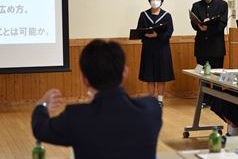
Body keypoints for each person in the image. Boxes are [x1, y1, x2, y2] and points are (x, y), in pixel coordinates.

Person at [31, 40, 162, 159]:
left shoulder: (76, 117)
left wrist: (42, 104)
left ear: (84, 79)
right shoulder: (151, 109)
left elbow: (40, 128)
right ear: (125, 72)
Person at [191, 0, 228, 106]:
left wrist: (208, 28)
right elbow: (193, 22)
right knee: (203, 75)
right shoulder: (196, 5)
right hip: (201, 45)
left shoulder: (222, 4)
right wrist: (199, 27)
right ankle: (204, 100)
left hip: (216, 46)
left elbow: (222, 23)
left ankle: (217, 100)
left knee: (217, 74)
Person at [137, 0, 175, 107]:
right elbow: (139, 31)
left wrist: (157, 35)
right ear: (149, 0)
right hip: (148, 48)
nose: (155, 1)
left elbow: (169, 32)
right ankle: (151, 98)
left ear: (161, 1)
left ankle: (160, 99)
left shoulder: (167, 16)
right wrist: (146, 35)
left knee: (161, 75)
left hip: (162, 49)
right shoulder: (144, 15)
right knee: (149, 75)